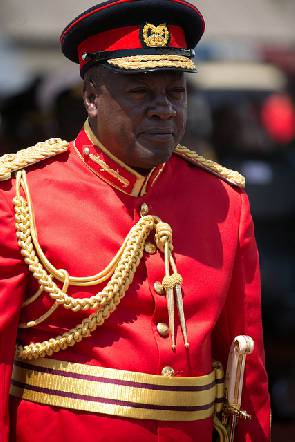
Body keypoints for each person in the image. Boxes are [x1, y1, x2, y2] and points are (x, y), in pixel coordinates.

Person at [0, 1, 270, 441]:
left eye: (175, 92)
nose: (164, 109)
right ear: (91, 98)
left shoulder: (223, 198)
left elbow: (245, 366)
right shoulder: (22, 195)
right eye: (140, 93)